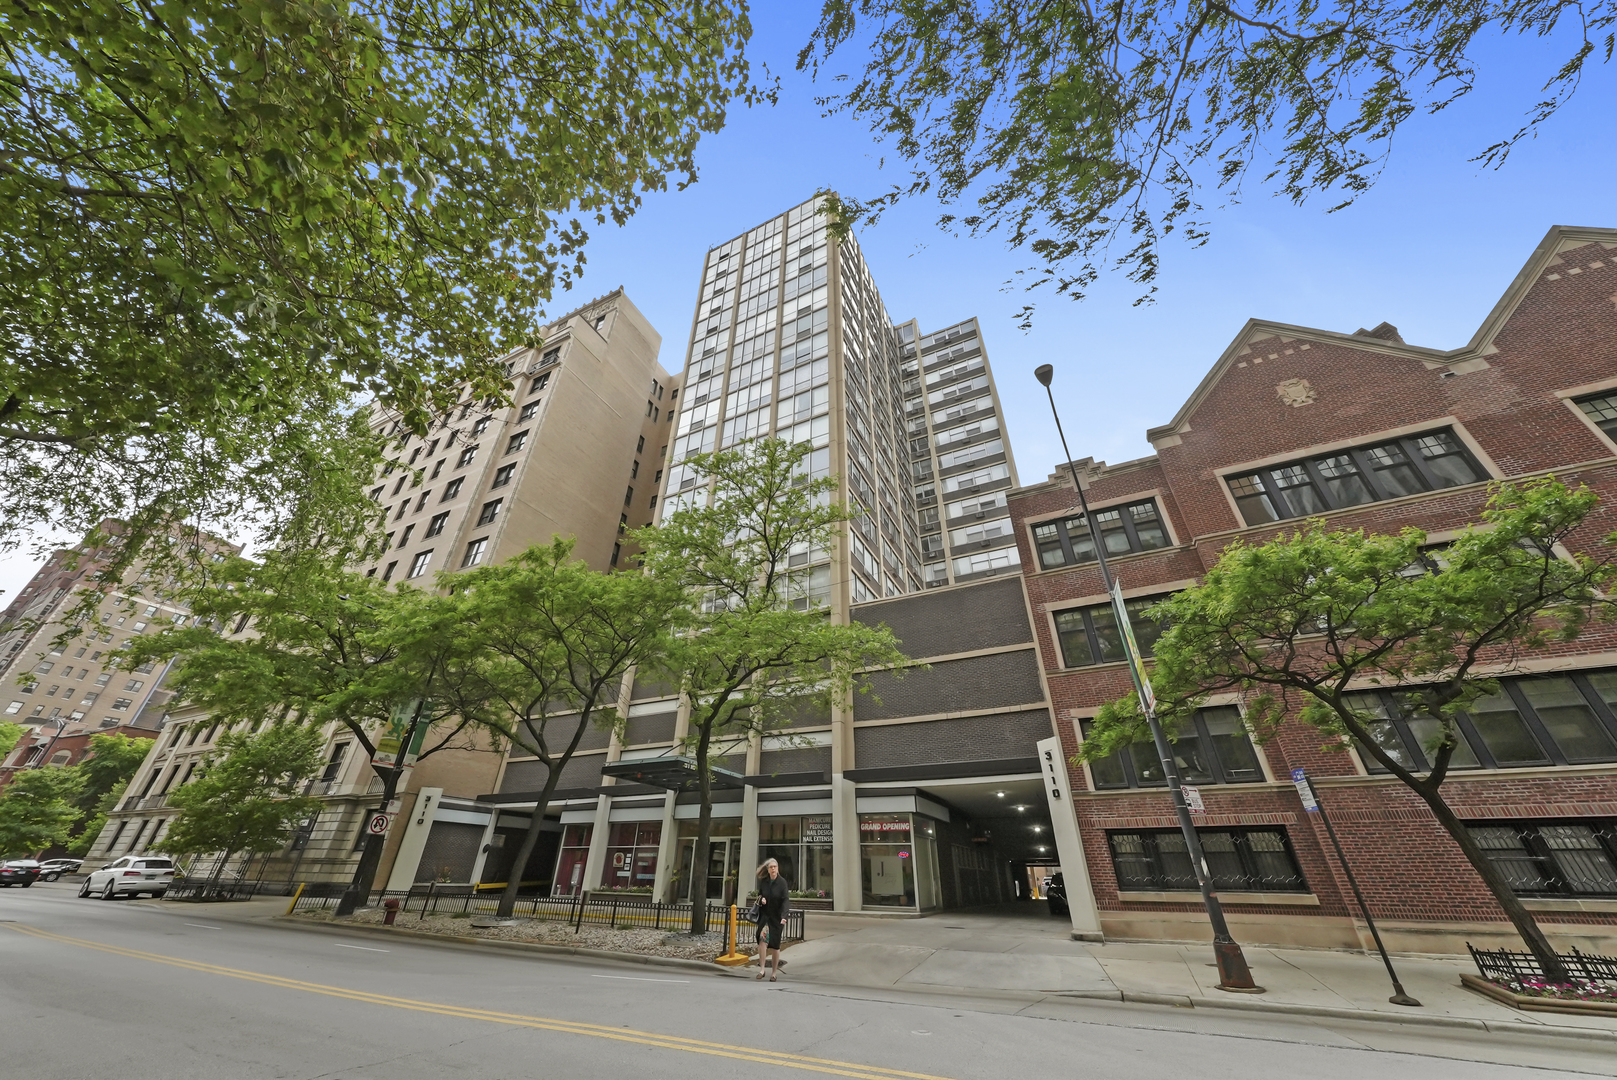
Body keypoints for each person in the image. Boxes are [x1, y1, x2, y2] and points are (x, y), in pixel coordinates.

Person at [753, 858, 789, 982]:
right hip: (765, 917)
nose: (773, 869)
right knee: (762, 940)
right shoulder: (765, 882)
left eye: (775, 867)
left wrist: (784, 916)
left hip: (777, 918)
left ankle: (774, 973)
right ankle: (762, 970)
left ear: (778, 869)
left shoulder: (782, 883)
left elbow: (785, 900)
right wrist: (762, 899)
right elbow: (759, 894)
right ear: (768, 870)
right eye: (771, 867)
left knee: (775, 946)